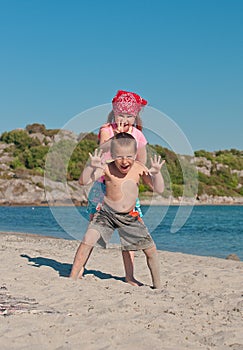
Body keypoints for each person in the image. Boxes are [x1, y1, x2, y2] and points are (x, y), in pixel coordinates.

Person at [70, 133, 165, 289]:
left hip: (130, 217)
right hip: (106, 214)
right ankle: (72, 277)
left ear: (135, 154)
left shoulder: (139, 168)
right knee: (88, 239)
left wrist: (157, 173)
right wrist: (90, 167)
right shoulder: (106, 168)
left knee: (151, 250)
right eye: (119, 156)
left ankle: (158, 286)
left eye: (129, 156)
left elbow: (158, 189)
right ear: (112, 155)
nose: (124, 160)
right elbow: (83, 181)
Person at [88, 90, 149, 286]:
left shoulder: (138, 135)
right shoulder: (107, 129)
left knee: (129, 235)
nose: (125, 119)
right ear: (114, 113)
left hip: (127, 191)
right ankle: (80, 267)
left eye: (129, 115)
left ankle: (129, 276)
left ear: (136, 116)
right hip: (104, 187)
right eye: (121, 114)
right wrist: (117, 135)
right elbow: (102, 149)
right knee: (93, 232)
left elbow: (142, 162)